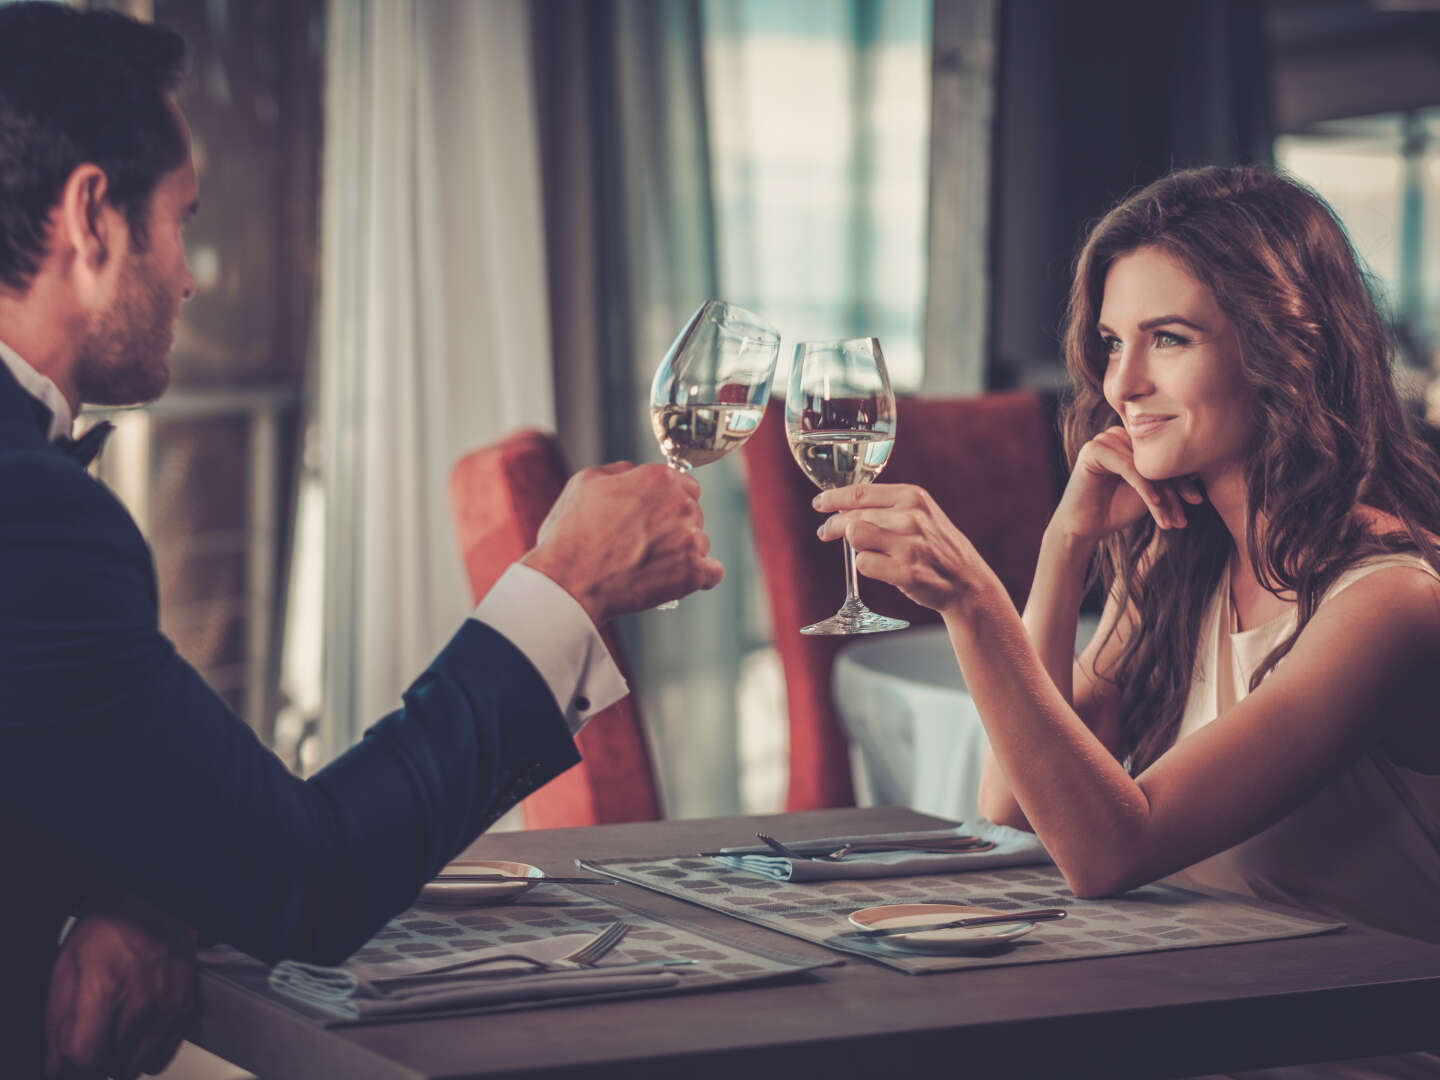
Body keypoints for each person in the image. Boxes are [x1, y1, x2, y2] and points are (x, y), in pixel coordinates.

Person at [0, 4, 722, 1076]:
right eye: (181, 220)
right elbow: (308, 875)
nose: (191, 274)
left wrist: (123, 900)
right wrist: (562, 582)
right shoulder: (36, 516)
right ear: (92, 219)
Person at [816, 166, 1440, 1075]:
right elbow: (1016, 811)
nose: (1124, 384)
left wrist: (973, 602)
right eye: (1111, 343)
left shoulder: (1391, 600)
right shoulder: (1181, 560)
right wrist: (1064, 547)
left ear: (1286, 345)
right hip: (1206, 1026)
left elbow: (1111, 849)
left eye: (1169, 339)